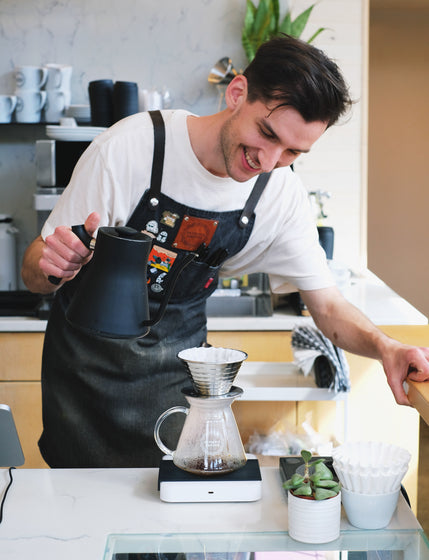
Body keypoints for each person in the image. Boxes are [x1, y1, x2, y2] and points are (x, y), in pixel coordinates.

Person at [22, 36, 429, 469]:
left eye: (292, 151)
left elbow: (327, 306)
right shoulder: (129, 149)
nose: (269, 160)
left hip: (178, 392)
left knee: (172, 521)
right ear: (237, 94)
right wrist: (53, 265)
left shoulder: (279, 194)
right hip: (84, 386)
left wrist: (386, 347)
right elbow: (33, 272)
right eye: (266, 133)